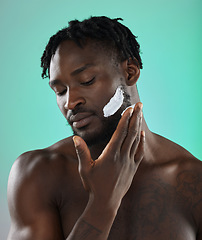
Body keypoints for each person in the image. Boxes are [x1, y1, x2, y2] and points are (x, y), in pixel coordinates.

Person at [7, 16, 202, 240]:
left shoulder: (194, 182)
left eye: (87, 80)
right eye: (60, 91)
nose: (70, 103)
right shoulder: (39, 174)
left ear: (130, 72)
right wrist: (102, 204)